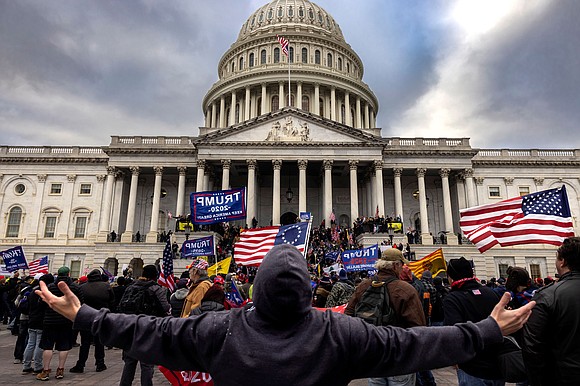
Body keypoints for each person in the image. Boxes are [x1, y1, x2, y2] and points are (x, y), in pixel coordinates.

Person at [37, 244, 534, 386]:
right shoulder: (341, 334)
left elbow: (150, 332)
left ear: (255, 289)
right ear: (310, 292)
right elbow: (418, 345)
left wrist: (86, 317)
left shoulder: (217, 331)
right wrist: (487, 329)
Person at [346, 248, 425, 386]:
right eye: (402, 264)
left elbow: (348, 316)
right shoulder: (405, 289)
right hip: (399, 355)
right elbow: (418, 326)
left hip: (373, 354)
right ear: (395, 265)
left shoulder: (363, 285)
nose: (403, 268)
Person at [523, 237, 580, 385]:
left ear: (562, 261)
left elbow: (533, 346)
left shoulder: (548, 295)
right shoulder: (549, 295)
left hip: (564, 377)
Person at [444, 257, 504, 386]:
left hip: (472, 366)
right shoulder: (491, 293)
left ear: (451, 276)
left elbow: (454, 333)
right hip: (497, 364)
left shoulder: (452, 298)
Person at [118, 264, 170, 386]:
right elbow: (165, 307)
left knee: (129, 362)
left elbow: (121, 306)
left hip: (130, 327)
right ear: (155, 275)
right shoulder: (156, 288)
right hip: (148, 327)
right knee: (146, 364)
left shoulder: (131, 286)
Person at [37, 266, 84, 381]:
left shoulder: (51, 286)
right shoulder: (75, 287)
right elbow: (80, 303)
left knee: (47, 346)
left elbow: (42, 302)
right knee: (64, 346)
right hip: (67, 320)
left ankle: (46, 370)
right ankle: (60, 369)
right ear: (69, 274)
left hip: (50, 320)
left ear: (57, 274)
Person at [70, 269, 115, 373]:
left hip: (85, 317)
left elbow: (78, 303)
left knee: (84, 343)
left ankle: (80, 364)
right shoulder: (107, 286)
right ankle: (100, 364)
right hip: (101, 317)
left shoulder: (82, 287)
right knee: (99, 342)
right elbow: (112, 302)